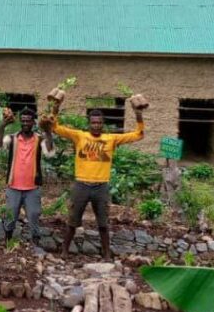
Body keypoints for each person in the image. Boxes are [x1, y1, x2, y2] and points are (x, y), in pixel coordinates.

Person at [44, 98, 147, 262]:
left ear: (103, 123)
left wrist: (139, 115)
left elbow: (138, 135)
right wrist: (55, 107)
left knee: (103, 223)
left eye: (99, 123)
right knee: (72, 221)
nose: (96, 125)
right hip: (81, 185)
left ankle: (106, 254)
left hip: (101, 187)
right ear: (89, 123)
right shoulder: (79, 136)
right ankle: (64, 252)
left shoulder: (111, 139)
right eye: (93, 122)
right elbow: (54, 127)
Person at [0, 108, 55, 246]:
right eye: (23, 121)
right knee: (10, 217)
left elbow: (50, 151)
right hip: (14, 186)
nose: (25, 123)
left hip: (32, 187)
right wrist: (2, 125)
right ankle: (8, 241)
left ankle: (35, 243)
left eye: (28, 121)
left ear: (33, 122)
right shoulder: (12, 138)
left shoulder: (39, 139)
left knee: (34, 215)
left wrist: (48, 131)